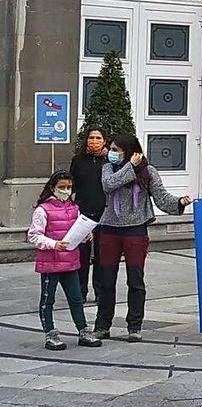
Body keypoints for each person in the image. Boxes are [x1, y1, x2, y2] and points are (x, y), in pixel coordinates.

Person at [95, 134, 192, 343]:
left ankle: (134, 326)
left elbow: (162, 198)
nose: (111, 153)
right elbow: (108, 185)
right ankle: (102, 325)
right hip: (110, 229)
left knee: (135, 280)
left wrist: (180, 202)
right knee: (106, 280)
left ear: (130, 151)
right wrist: (129, 166)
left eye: (116, 149)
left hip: (136, 230)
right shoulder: (108, 168)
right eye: (111, 149)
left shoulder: (148, 171)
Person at [27, 171, 101, 351]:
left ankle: (83, 330)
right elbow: (34, 235)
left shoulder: (74, 208)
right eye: (62, 187)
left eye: (68, 187)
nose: (66, 191)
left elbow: (76, 229)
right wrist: (53, 244)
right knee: (47, 299)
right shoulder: (42, 209)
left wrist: (85, 235)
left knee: (76, 298)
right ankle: (50, 334)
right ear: (53, 188)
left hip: (70, 261)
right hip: (50, 262)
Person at [69, 126, 109, 302]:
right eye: (91, 138)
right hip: (83, 213)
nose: (94, 141)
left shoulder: (110, 161)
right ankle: (80, 291)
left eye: (98, 138)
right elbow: (72, 186)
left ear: (104, 141)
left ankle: (100, 292)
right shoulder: (78, 160)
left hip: (105, 213)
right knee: (82, 256)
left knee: (102, 256)